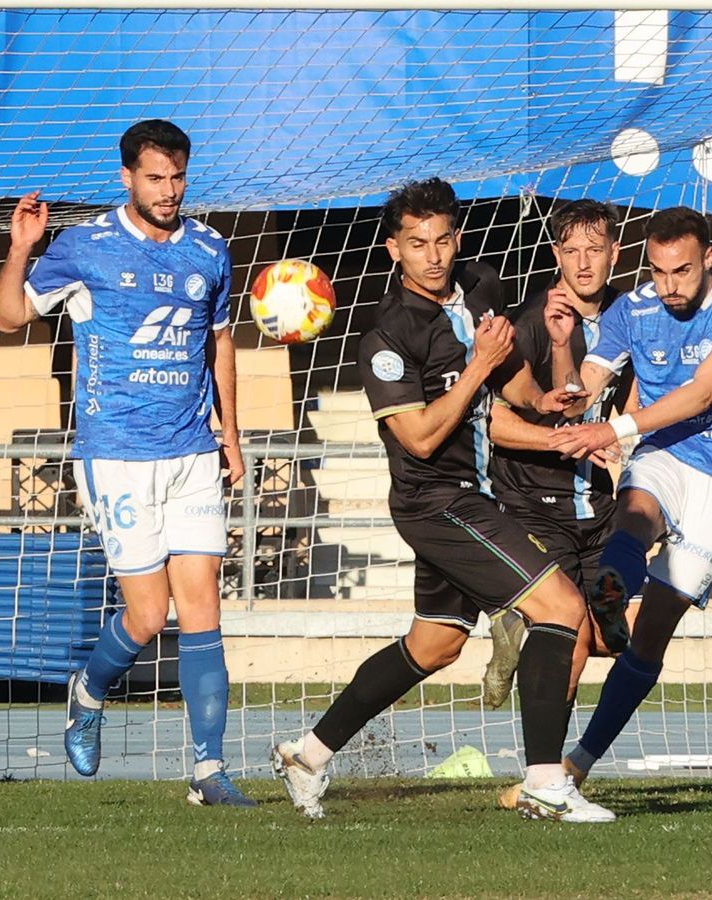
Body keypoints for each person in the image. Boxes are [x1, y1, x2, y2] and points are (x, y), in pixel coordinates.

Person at [270, 178, 615, 823]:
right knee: (562, 607)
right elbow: (423, 438)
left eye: (442, 239)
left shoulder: (482, 287)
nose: (432, 254)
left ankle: (309, 754)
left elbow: (509, 381)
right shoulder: (387, 338)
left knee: (436, 644)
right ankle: (545, 782)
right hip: (438, 501)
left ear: (457, 238)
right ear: (394, 249)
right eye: (416, 242)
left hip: (479, 496)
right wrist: (481, 367)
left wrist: (543, 403)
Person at [0, 119, 252, 807]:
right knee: (148, 613)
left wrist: (232, 432)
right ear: (128, 178)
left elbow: (219, 343)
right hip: (116, 456)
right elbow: (8, 317)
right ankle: (90, 687)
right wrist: (20, 250)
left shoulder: (208, 249)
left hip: (193, 450)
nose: (168, 191)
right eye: (155, 178)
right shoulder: (86, 248)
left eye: (178, 178)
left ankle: (208, 771)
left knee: (202, 608)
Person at [548, 205, 712, 789]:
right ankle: (611, 589)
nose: (669, 286)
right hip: (666, 453)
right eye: (657, 272)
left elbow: (704, 392)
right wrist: (562, 358)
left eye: (680, 271)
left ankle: (580, 764)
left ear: (708, 257)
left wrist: (613, 430)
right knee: (635, 513)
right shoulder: (633, 310)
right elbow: (582, 390)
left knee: (653, 631)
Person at [482, 199, 639, 810]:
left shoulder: (633, 319)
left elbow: (639, 404)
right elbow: (494, 422)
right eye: (570, 251)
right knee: (569, 633)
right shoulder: (528, 323)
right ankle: (546, 779)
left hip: (601, 508)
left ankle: (517, 635)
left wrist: (623, 438)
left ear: (613, 254)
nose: (583, 262)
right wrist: (562, 437)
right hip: (534, 503)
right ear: (555, 256)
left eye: (594, 250)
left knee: (615, 641)